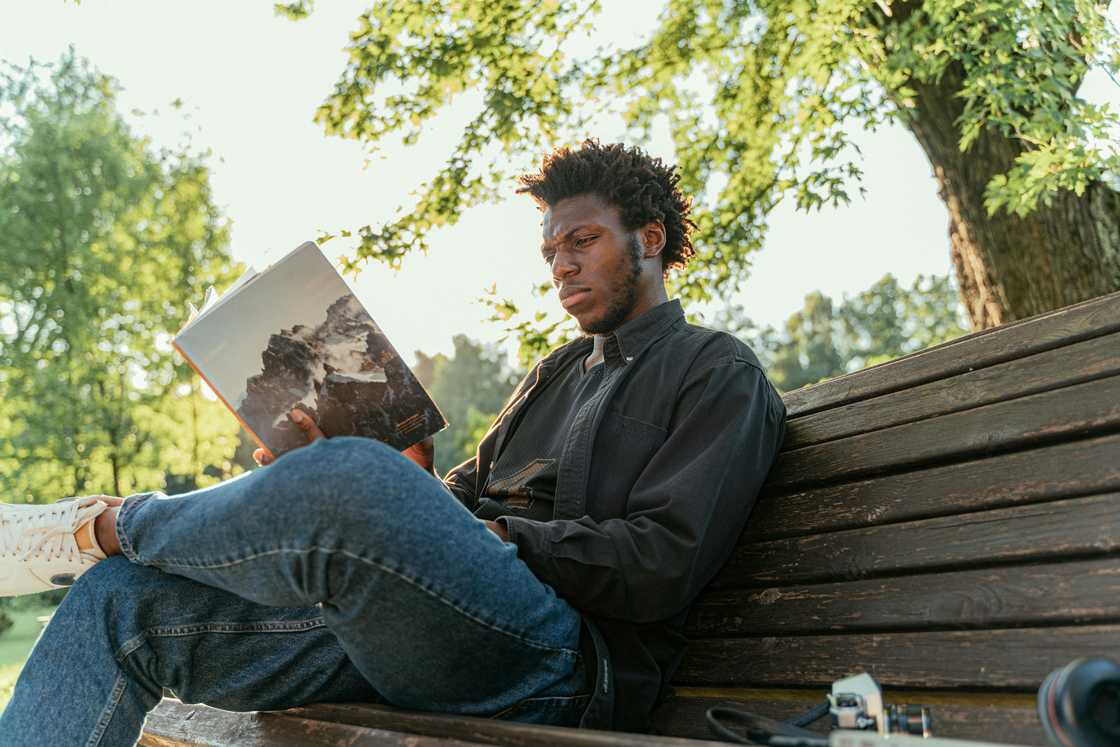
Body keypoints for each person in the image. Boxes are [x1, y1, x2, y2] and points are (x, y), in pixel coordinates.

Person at [0, 140, 786, 745]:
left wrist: (486, 535)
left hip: (564, 664)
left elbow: (661, 564)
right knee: (115, 602)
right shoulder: (554, 375)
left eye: (582, 240)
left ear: (649, 239)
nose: (561, 265)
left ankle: (106, 526)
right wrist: (414, 487)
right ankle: (111, 549)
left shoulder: (718, 374)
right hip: (423, 633)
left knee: (351, 475)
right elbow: (459, 501)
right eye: (550, 250)